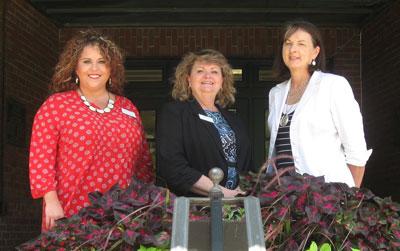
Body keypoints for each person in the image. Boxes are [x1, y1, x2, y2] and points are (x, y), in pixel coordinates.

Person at [29, 30, 154, 231]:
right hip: (71, 208)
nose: (94, 68)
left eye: (102, 61)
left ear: (111, 68)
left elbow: (143, 162)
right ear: (75, 68)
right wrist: (51, 201)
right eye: (86, 61)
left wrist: (143, 202)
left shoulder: (128, 108)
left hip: (121, 211)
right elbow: (41, 158)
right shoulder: (57, 105)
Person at [267, 20, 372, 188]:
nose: (293, 49)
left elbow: (356, 151)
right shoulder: (276, 94)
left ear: (315, 52)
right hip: (284, 196)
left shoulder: (333, 85)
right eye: (288, 44)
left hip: (325, 197)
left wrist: (350, 197)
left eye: (301, 44)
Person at [156, 49, 253, 197]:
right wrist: (223, 193)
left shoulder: (234, 120)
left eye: (214, 71)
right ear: (188, 79)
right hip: (195, 207)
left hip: (237, 206)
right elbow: (172, 166)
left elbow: (246, 164)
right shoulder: (175, 113)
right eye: (200, 71)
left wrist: (241, 192)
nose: (208, 76)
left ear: (222, 81)